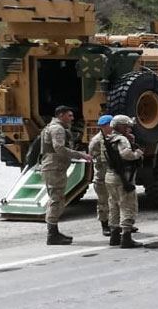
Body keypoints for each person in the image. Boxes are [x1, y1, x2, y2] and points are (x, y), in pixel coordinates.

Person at [39, 105, 90, 245]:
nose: (72, 118)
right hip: (54, 168)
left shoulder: (52, 126)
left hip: (55, 167)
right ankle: (52, 234)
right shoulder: (57, 128)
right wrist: (80, 155)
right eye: (69, 115)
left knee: (58, 199)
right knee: (56, 200)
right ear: (61, 115)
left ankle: (54, 232)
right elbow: (59, 148)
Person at [105, 115, 145, 249]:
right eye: (127, 126)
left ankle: (114, 235)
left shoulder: (108, 138)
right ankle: (126, 237)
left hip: (110, 176)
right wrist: (137, 153)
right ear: (120, 126)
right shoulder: (121, 139)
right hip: (123, 177)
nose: (129, 128)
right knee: (127, 205)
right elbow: (126, 154)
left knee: (114, 205)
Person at [88, 114, 113, 237]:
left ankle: (121, 224)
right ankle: (105, 225)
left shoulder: (116, 137)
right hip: (102, 177)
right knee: (103, 202)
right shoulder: (96, 141)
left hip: (114, 176)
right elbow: (91, 155)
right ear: (104, 126)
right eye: (110, 125)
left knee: (118, 201)